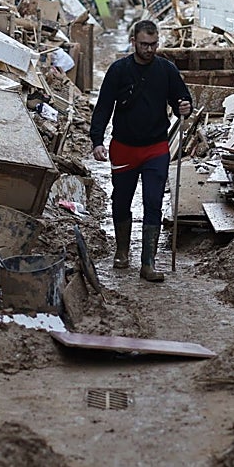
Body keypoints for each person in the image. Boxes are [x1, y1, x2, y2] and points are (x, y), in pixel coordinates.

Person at [90, 20, 192, 282]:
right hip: (124, 147)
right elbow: (103, 107)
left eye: (154, 44)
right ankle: (122, 251)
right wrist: (97, 140)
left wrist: (185, 107)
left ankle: (148, 263)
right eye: (145, 44)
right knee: (121, 200)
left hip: (156, 147)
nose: (149, 49)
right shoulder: (118, 70)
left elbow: (181, 98)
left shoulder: (166, 70)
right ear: (133, 41)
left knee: (154, 201)